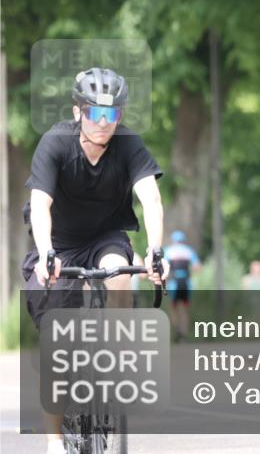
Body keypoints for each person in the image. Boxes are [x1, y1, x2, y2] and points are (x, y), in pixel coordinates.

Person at [20, 67, 167, 454]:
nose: (104, 123)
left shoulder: (128, 144)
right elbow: (40, 206)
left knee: (120, 273)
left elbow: (149, 197)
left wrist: (156, 250)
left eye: (112, 115)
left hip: (105, 238)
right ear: (77, 112)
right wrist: (47, 253)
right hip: (58, 245)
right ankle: (54, 442)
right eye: (95, 114)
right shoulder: (55, 143)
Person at [164, 229, 201, 342]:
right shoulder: (189, 251)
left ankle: (176, 332)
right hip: (186, 282)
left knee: (173, 308)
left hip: (174, 283)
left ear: (174, 240)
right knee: (185, 309)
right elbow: (197, 267)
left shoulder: (168, 251)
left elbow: (163, 266)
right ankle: (184, 334)